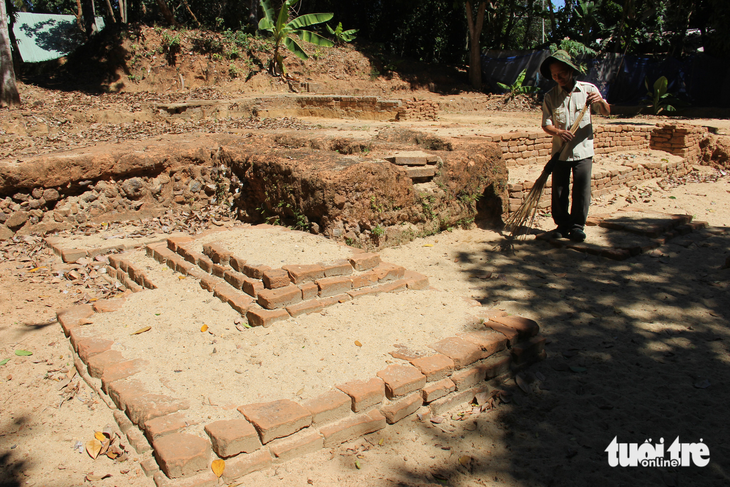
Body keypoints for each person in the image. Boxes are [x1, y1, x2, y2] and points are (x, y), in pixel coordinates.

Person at [540, 50, 610, 242]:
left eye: (561, 73)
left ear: (570, 71)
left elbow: (606, 112)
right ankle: (562, 225)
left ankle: (578, 226)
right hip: (560, 152)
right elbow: (546, 124)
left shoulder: (588, 90)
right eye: (554, 75)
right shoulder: (550, 96)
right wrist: (558, 132)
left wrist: (601, 102)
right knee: (559, 190)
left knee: (582, 190)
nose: (558, 78)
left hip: (584, 151)